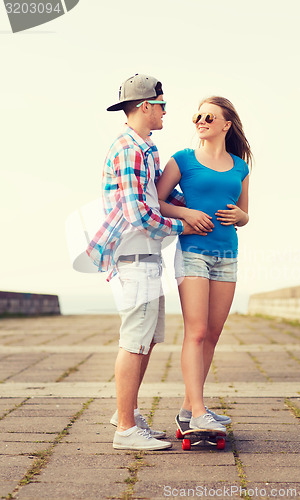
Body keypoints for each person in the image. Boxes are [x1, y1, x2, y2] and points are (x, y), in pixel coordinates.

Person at [86, 74, 206, 450]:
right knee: (134, 342)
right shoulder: (129, 150)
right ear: (144, 107)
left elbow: (155, 196)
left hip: (146, 257)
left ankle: (129, 414)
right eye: (162, 105)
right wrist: (185, 226)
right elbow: (140, 214)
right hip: (134, 257)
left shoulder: (146, 148)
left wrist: (185, 203)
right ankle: (125, 429)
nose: (166, 111)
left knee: (148, 340)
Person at [156, 96, 252, 432]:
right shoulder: (181, 160)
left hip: (227, 255)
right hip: (193, 251)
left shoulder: (241, 166)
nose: (201, 120)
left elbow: (244, 214)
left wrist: (242, 216)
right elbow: (158, 202)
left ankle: (188, 409)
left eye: (209, 116)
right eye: (197, 115)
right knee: (195, 333)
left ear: (226, 124)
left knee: (212, 334)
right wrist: (186, 213)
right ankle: (198, 413)